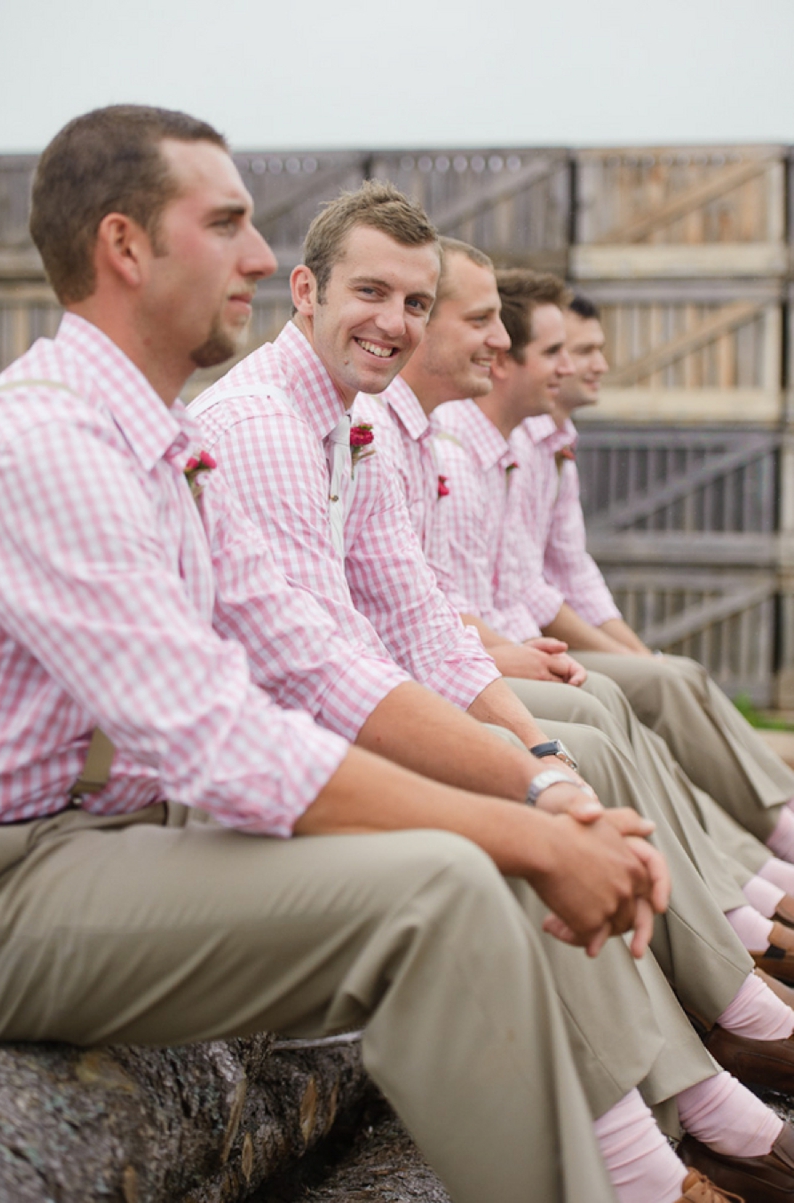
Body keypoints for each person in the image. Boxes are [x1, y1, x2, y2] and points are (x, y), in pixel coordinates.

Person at [0, 103, 679, 1203]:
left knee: (466, 863)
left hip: (119, 839)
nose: (263, 260)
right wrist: (526, 829)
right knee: (442, 890)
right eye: (226, 224)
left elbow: (318, 661)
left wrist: (539, 792)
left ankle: (646, 1165)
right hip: (22, 881)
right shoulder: (50, 442)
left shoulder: (160, 441)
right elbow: (218, 732)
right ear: (125, 246)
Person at [191, 183, 794, 1201]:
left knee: (561, 761)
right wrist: (520, 777)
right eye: (370, 293)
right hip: (268, 760)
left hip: (320, 727)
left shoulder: (348, 419)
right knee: (508, 827)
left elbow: (415, 613)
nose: (396, 323)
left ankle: (710, 1099)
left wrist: (533, 756)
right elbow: (324, 667)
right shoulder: (260, 423)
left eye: (416, 303)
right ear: (303, 291)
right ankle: (690, 1133)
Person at [504, 290, 794, 865]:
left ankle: (771, 852)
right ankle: (767, 866)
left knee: (673, 674)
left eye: (588, 349)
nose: (593, 365)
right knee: (653, 691)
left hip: (524, 639)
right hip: (516, 643)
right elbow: (530, 589)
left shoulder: (554, 444)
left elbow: (574, 571)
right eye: (574, 349)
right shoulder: (510, 442)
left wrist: (636, 651)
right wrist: (633, 660)